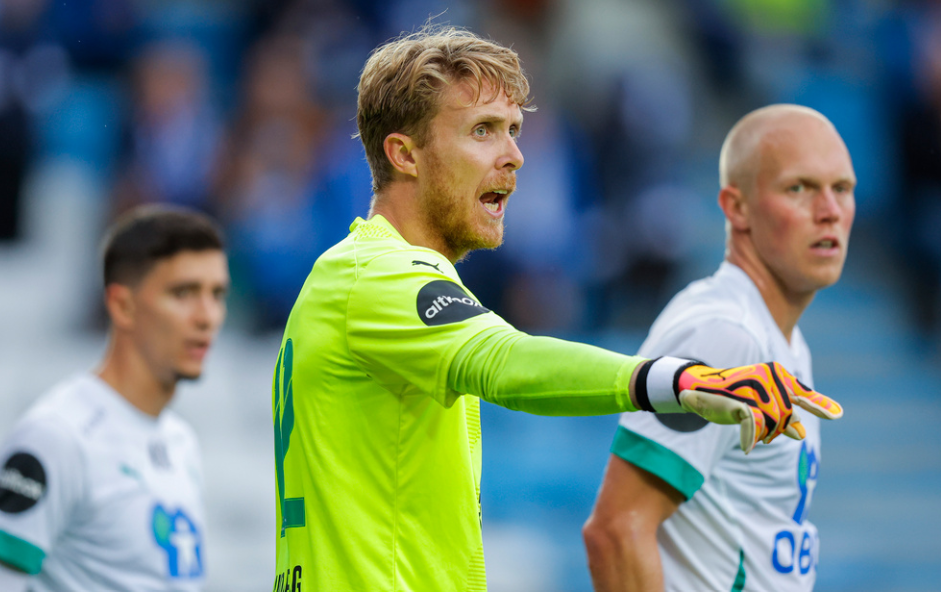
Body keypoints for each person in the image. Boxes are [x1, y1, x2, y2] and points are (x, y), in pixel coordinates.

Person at [271, 28, 843, 592]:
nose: (515, 156)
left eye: (514, 131)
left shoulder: (355, 277)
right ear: (405, 154)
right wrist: (674, 379)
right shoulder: (382, 277)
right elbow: (505, 360)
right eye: (483, 131)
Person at [582, 104, 856, 591]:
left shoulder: (779, 336)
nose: (830, 211)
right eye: (799, 188)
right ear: (736, 207)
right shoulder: (725, 334)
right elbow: (616, 531)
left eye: (842, 188)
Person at [0, 205, 230, 591]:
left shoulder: (180, 440)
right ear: (123, 305)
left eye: (217, 294)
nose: (207, 316)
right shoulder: (57, 436)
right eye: (184, 292)